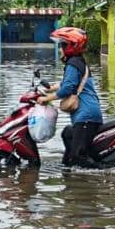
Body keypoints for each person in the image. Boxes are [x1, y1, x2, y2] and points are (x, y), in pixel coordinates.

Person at [39, 27, 103, 168]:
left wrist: (47, 99)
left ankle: (102, 177)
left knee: (77, 156)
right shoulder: (78, 61)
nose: (60, 49)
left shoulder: (73, 63)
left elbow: (67, 88)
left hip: (87, 115)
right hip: (87, 114)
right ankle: (68, 172)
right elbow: (67, 82)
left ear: (71, 46)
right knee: (67, 134)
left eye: (62, 45)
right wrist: (49, 88)